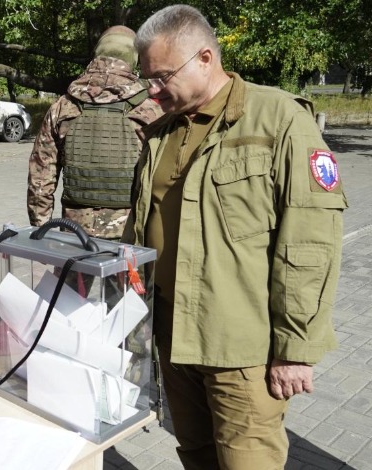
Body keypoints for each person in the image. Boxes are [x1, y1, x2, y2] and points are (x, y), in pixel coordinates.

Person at [124, 5, 347, 469]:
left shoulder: (279, 119)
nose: (152, 89)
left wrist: (296, 350)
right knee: (197, 453)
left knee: (247, 461)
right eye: (147, 77)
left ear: (205, 57)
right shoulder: (162, 131)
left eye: (162, 76)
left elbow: (311, 242)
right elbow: (140, 224)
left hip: (242, 345)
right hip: (173, 332)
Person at [27, 26, 161, 240]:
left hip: (74, 235)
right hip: (130, 235)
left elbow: (41, 177)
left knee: (73, 274)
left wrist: (40, 228)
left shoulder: (63, 106)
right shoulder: (149, 110)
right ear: (133, 57)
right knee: (126, 275)